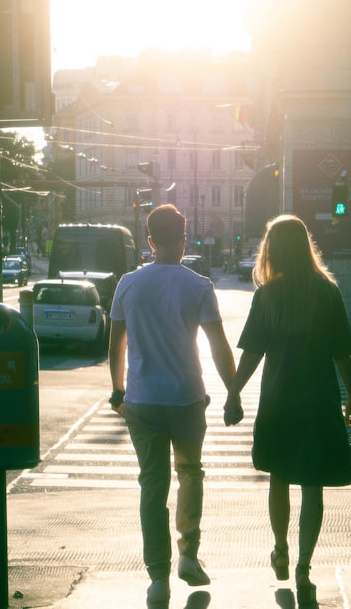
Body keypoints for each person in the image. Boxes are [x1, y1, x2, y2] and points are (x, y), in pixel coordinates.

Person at [223, 214, 351, 605]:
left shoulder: (268, 296)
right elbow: (342, 352)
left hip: (279, 402)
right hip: (318, 401)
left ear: (273, 250)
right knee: (312, 487)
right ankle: (304, 565)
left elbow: (252, 352)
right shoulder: (327, 292)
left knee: (279, 478)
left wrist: (234, 394)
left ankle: (280, 547)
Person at [108, 204, 236, 605]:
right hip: (185, 399)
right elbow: (218, 347)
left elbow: (116, 346)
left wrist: (118, 390)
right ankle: (188, 555)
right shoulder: (198, 286)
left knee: (152, 485)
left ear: (149, 241)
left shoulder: (128, 284)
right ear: (183, 239)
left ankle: (157, 576)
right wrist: (232, 392)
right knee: (191, 473)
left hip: (142, 400)